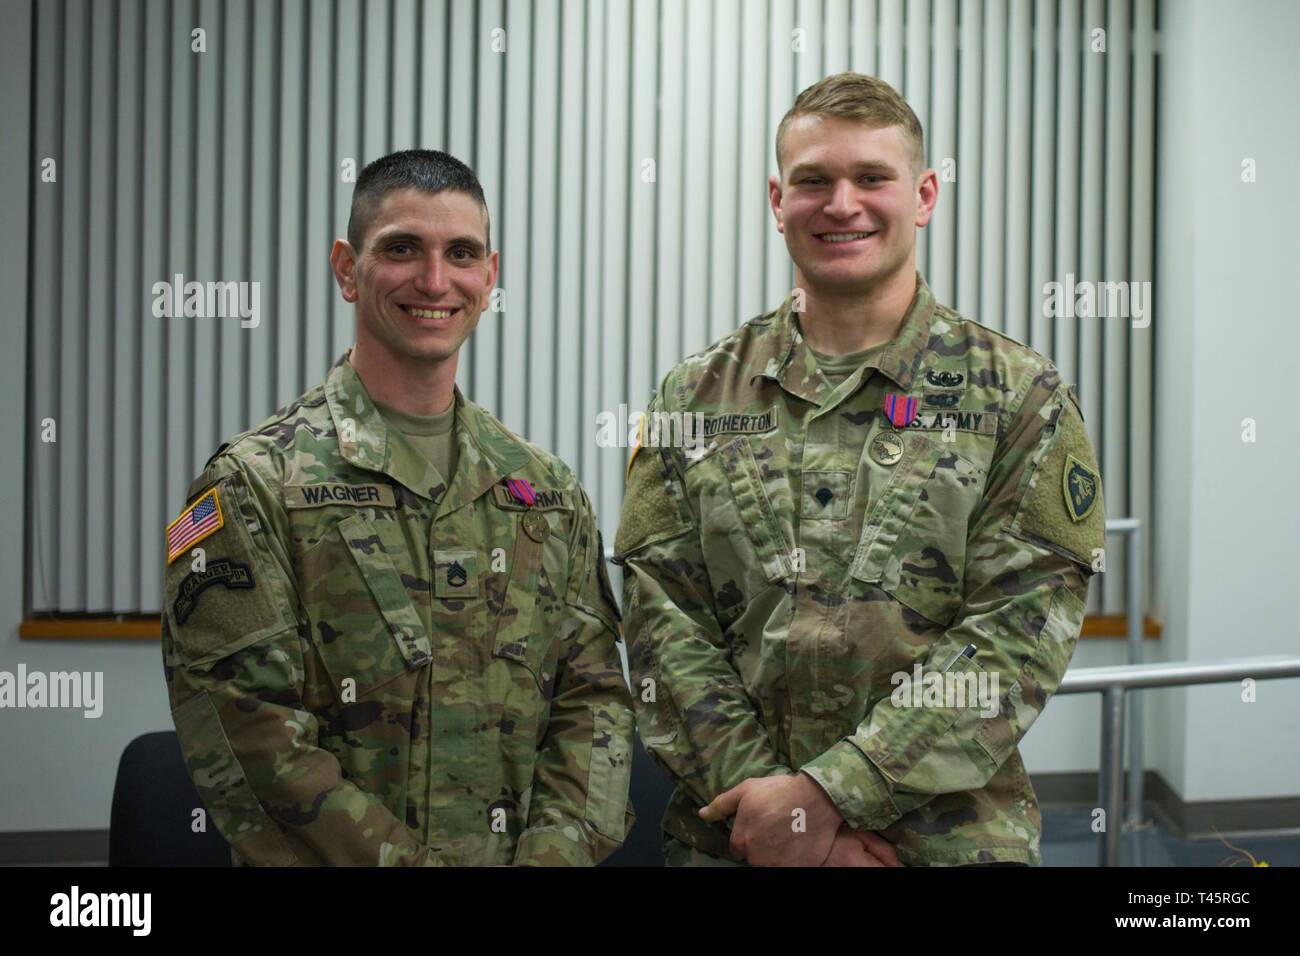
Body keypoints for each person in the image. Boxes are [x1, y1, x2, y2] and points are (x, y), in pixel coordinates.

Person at [614, 73, 1104, 867]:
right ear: (778, 199)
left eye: (872, 177)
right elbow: (662, 624)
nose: (842, 204)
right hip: (738, 837)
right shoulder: (693, 396)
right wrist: (785, 822)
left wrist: (833, 794)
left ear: (924, 194)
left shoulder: (1020, 397)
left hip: (938, 844)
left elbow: (1014, 635)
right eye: (814, 181)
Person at [161, 149, 634, 866]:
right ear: (348, 269)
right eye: (403, 248)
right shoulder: (255, 485)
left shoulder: (547, 492)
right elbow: (248, 734)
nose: (435, 280)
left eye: (461, 253)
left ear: (491, 275)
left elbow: (594, 704)